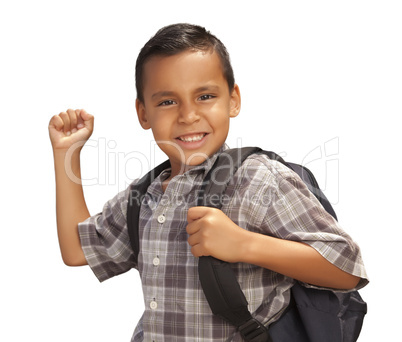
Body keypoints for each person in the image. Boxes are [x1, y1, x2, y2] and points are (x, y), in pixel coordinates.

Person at [48, 23, 368, 341]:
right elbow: (78, 251)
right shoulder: (143, 196)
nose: (188, 115)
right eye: (167, 101)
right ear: (143, 113)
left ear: (233, 100)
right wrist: (67, 152)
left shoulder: (260, 181)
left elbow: (348, 268)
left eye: (204, 96)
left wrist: (245, 244)